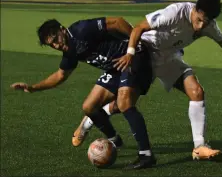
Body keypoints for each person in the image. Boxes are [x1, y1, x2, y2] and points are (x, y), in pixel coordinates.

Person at [73, 0, 222, 161]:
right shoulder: (175, 12)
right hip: (146, 54)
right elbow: (138, 28)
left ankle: (199, 146)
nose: (201, 26)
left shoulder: (208, 25)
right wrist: (130, 53)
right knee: (124, 104)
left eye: (206, 22)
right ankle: (90, 120)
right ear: (195, 10)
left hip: (169, 59)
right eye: (199, 19)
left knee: (197, 92)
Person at [10, 17, 157, 169]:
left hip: (132, 59)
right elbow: (60, 76)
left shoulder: (81, 30)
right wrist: (33, 88)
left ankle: (146, 155)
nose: (56, 45)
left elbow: (116, 21)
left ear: (62, 29)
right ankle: (115, 140)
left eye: (55, 39)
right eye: (52, 45)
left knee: (124, 103)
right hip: (115, 68)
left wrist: (134, 46)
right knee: (89, 107)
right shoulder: (69, 52)